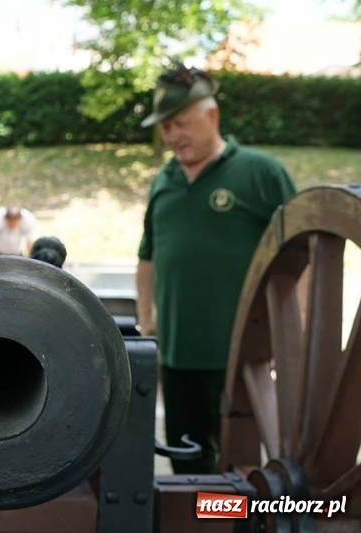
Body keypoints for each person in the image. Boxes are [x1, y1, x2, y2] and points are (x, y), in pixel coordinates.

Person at [136, 63, 296, 474]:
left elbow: (301, 256)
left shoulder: (261, 173)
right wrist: (147, 323)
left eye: (181, 124)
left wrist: (289, 336)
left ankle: (228, 522)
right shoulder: (163, 180)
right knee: (187, 464)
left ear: (212, 117)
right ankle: (197, 522)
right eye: (166, 128)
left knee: (238, 467)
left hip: (239, 353)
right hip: (176, 355)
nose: (173, 137)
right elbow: (149, 255)